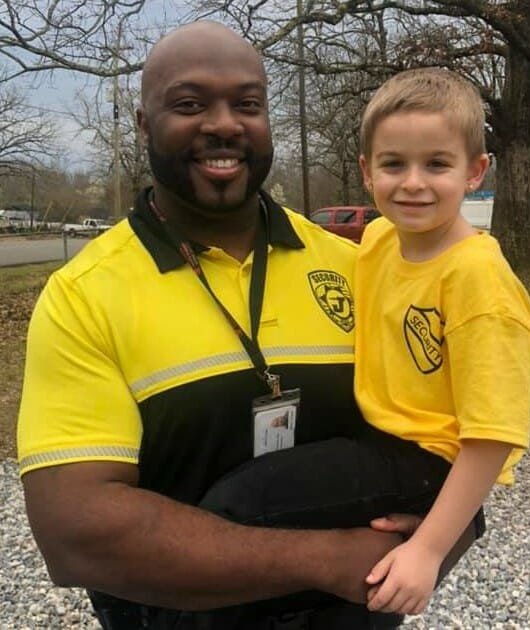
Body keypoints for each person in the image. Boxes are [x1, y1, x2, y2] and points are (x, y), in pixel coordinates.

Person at [16, 21, 463, 629]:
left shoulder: (356, 267)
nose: (225, 124)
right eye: (190, 104)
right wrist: (328, 559)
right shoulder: (83, 297)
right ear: (145, 125)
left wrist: (438, 538)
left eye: (247, 104)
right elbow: (76, 533)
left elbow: (452, 424)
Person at [350, 67, 530, 615]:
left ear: (475, 171)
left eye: (436, 164)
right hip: (374, 436)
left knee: (247, 505)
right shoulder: (379, 238)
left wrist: (431, 547)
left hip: (430, 459)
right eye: (393, 164)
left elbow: (493, 433)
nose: (412, 183)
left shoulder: (478, 281)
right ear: (366, 172)